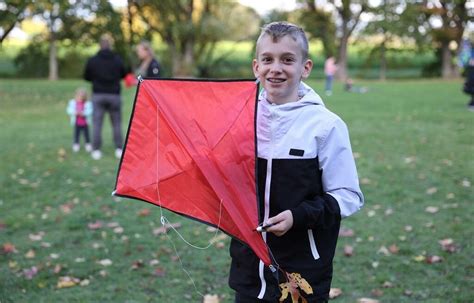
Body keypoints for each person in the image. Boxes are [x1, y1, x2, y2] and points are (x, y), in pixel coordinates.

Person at [228, 21, 364, 302]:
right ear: (256, 67)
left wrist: (297, 216)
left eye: (287, 60)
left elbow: (348, 196)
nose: (275, 68)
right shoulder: (239, 120)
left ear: (306, 67)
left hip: (302, 273)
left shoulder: (326, 126)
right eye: (267, 59)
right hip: (248, 271)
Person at [83, 34, 127, 160]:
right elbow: (123, 74)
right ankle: (119, 149)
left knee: (97, 123)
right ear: (110, 46)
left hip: (98, 94)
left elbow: (86, 76)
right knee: (117, 123)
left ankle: (96, 150)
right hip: (114, 95)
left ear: (100, 46)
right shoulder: (117, 59)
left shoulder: (93, 60)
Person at [66, 88, 92, 153]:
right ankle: (76, 144)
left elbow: (90, 111)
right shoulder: (73, 103)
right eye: (78, 96)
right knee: (76, 134)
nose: (79, 98)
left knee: (86, 134)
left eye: (81, 97)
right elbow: (69, 110)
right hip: (77, 123)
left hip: (85, 123)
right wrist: (75, 112)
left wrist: (84, 113)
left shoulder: (87, 103)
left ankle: (88, 144)